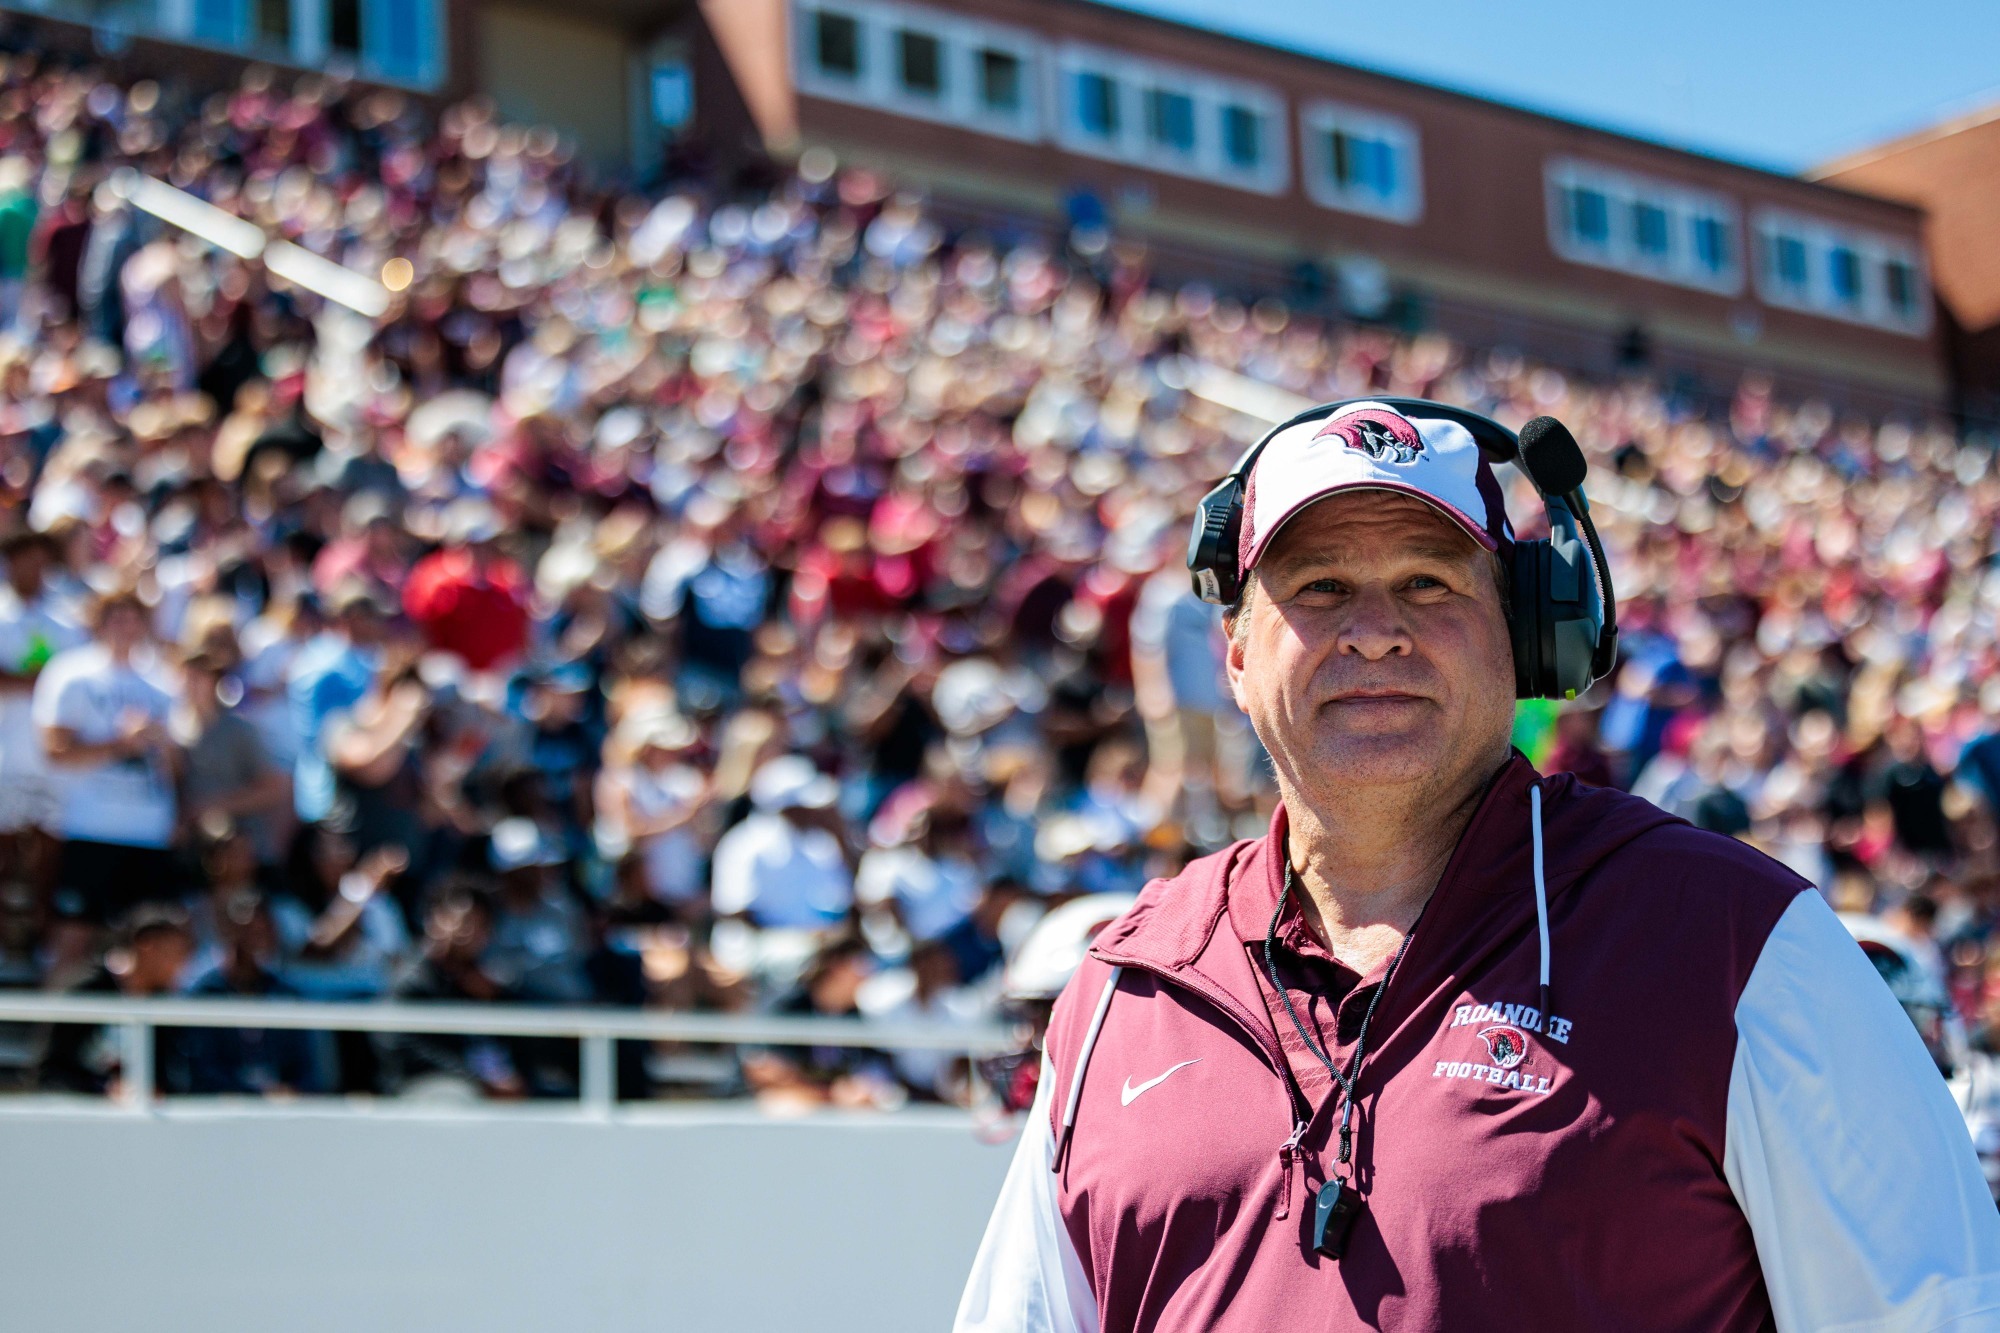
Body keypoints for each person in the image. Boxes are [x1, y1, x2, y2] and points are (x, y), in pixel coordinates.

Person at [957, 402, 2000, 1331]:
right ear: (1233, 653)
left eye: (1425, 581)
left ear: (1529, 635)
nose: (1374, 632)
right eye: (1318, 587)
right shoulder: (1118, 990)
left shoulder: (1736, 943)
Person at [34, 587, 181, 922]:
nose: (126, 626)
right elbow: (56, 751)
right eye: (116, 617)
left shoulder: (162, 683)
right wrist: (121, 743)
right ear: (98, 623)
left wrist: (161, 747)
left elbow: (174, 765)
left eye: (133, 618)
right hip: (89, 826)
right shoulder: (71, 674)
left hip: (149, 831)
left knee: (149, 938)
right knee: (77, 930)